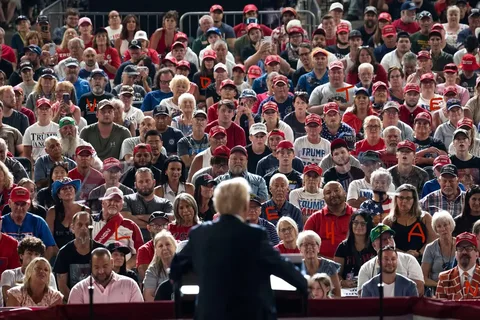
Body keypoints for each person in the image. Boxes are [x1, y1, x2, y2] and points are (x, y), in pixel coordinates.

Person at [170, 177, 308, 320]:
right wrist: (306, 283)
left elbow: (175, 269)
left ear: (217, 204)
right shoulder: (255, 234)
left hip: (210, 314)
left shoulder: (199, 234)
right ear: (244, 205)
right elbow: (281, 267)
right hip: (250, 314)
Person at [357, 224, 425, 296]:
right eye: (383, 239)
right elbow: (362, 296)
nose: (388, 241)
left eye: (390, 237)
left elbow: (419, 289)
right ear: (374, 245)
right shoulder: (366, 268)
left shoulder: (409, 260)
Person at [53, 211, 105, 300]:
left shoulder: (101, 251)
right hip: (73, 302)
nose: (84, 228)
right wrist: (77, 302)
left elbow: (108, 280)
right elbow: (62, 286)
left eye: (87, 225)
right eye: (80, 225)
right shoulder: (64, 252)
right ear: (72, 228)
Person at [92, 187, 144, 270]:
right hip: (96, 269)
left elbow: (140, 252)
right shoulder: (90, 221)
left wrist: (126, 268)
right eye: (109, 200)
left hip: (121, 271)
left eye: (117, 201)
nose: (113, 203)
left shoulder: (130, 225)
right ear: (103, 203)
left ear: (122, 206)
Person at [68, 248, 143, 303]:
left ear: (112, 263)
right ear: (90, 265)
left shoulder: (130, 285)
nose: (101, 271)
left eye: (105, 266)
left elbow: (139, 314)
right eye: (96, 267)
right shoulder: (78, 289)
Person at [383, 184, 436, 261]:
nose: (404, 201)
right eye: (401, 198)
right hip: (396, 260)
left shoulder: (425, 217)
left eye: (408, 198)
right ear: (396, 199)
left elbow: (433, 240)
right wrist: (403, 254)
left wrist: (418, 253)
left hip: (422, 259)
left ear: (414, 200)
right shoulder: (388, 221)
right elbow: (383, 243)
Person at [1, 187, 56, 259]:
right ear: (10, 203)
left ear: (29, 204)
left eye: (23, 204)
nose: (19, 208)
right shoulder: (1, 222)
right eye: (16, 204)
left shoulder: (38, 221)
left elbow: (49, 247)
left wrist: (39, 265)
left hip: (32, 265)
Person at [0, 236, 56, 306]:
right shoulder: (9, 274)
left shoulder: (48, 275)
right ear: (21, 255)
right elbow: (8, 301)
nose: (33, 257)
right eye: (29, 253)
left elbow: (54, 301)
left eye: (36, 254)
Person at [304, 181, 354, 258]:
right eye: (328, 192)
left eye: (336, 190)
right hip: (322, 264)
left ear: (345, 193)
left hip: (352, 263)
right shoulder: (315, 218)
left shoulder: (356, 215)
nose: (333, 195)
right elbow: (304, 245)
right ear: (323, 198)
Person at [122, 167, 173, 241]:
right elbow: (126, 220)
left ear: (154, 182)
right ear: (135, 185)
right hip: (132, 242)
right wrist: (157, 224)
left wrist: (137, 217)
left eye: (147, 181)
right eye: (141, 182)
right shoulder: (126, 199)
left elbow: (171, 219)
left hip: (159, 243)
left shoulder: (165, 203)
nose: (144, 184)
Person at [334, 210, 375, 288]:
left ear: (368, 225)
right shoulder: (343, 246)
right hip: (349, 289)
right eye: (355, 223)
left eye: (363, 223)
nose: (359, 226)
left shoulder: (375, 245)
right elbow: (335, 274)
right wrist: (343, 282)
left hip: (370, 288)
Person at [46, 178, 88, 250]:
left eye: (70, 188)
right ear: (59, 195)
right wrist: (60, 254)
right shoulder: (52, 212)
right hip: (56, 253)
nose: (68, 190)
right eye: (64, 188)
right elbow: (49, 239)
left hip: (81, 251)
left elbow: (88, 236)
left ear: (75, 191)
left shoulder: (85, 210)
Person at [436, 232, 480, 300]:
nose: (464, 252)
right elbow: (440, 309)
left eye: (469, 248)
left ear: (477, 254)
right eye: (460, 248)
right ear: (456, 254)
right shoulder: (444, 278)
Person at [298, 230, 341, 297]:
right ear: (300, 249)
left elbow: (337, 295)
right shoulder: (297, 267)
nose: (309, 247)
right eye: (305, 245)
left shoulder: (330, 266)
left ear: (318, 248)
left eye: (312, 244)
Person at [421, 210, 456, 292]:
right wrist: (440, 286)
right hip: (437, 291)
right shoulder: (430, 248)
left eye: (445, 225)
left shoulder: (460, 245)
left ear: (451, 225)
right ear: (436, 229)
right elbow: (423, 277)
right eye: (439, 226)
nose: (443, 229)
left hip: (458, 289)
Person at [143, 230, 177, 301]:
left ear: (175, 246)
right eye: (160, 246)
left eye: (168, 244)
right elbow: (148, 297)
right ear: (156, 251)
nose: (164, 248)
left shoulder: (185, 266)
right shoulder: (152, 270)